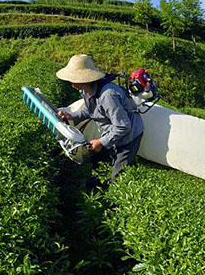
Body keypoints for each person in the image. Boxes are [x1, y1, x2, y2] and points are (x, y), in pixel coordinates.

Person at [56, 54, 144, 183]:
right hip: (110, 131)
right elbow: (91, 110)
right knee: (98, 162)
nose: (71, 83)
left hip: (128, 136)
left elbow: (123, 126)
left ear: (85, 79)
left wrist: (101, 142)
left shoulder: (108, 95)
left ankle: (113, 197)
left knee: (118, 177)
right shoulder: (86, 90)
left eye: (74, 79)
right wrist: (72, 116)